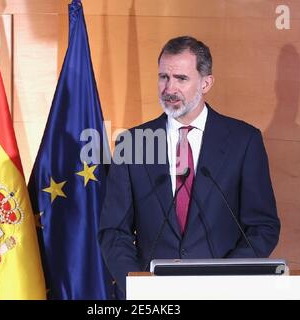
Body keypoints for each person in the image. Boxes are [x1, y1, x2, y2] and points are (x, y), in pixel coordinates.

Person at [98, 36, 280, 297]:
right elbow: (114, 231)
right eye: (163, 77)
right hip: (151, 296)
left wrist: (225, 280)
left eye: (181, 79)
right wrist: (138, 285)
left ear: (206, 83)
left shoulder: (244, 141)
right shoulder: (133, 143)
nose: (169, 88)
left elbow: (263, 227)